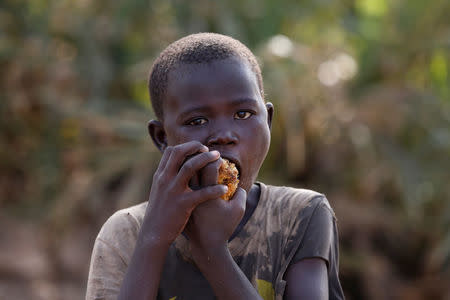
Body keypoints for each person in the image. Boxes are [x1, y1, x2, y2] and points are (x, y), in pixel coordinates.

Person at [86, 32, 344, 300]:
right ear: (162, 138)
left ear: (267, 121)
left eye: (243, 114)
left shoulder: (298, 215)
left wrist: (211, 251)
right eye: (197, 121)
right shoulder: (127, 232)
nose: (223, 135)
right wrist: (153, 239)